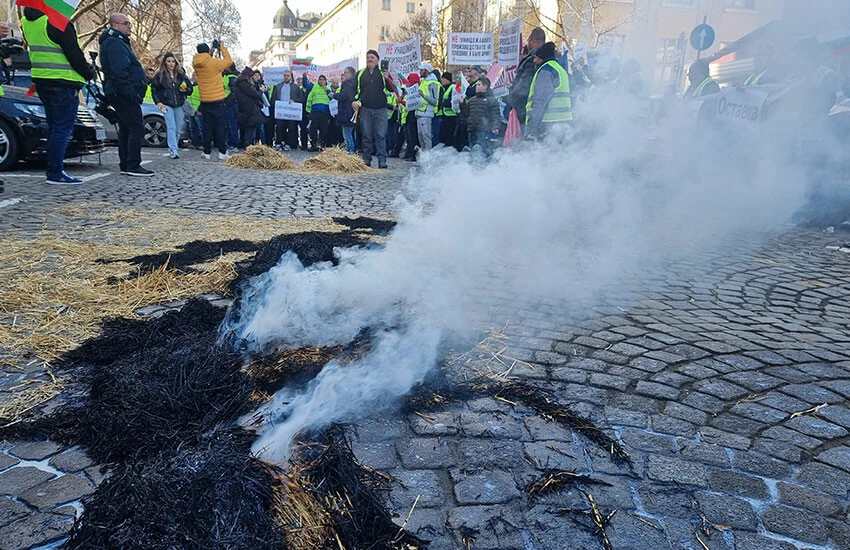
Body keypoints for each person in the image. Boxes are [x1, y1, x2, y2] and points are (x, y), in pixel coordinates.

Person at [20, 7, 96, 184]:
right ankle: (55, 171)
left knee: (54, 127)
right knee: (62, 128)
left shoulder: (27, 22)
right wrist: (88, 73)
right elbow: (74, 54)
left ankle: (53, 169)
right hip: (64, 81)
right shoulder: (57, 21)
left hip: (42, 80)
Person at [99, 13, 153, 177]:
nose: (130, 26)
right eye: (126, 23)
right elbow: (119, 70)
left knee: (126, 128)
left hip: (120, 91)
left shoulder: (117, 42)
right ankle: (133, 165)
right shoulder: (115, 43)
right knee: (136, 127)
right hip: (123, 92)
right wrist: (131, 92)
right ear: (115, 25)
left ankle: (126, 164)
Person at [193, 41, 233, 160]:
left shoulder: (196, 63)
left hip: (205, 99)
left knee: (207, 127)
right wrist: (222, 48)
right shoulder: (214, 63)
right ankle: (222, 152)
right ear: (207, 51)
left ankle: (206, 152)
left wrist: (211, 50)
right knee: (220, 127)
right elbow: (229, 61)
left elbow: (205, 59)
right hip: (217, 99)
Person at [526, 41, 573, 138]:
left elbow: (540, 99)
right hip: (564, 122)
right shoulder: (559, 69)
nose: (534, 60)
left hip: (548, 123)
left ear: (541, 57)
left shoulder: (546, 71)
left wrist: (533, 125)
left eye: (535, 57)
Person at [150, 52, 193, 159]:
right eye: (169, 61)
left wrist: (184, 90)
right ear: (165, 62)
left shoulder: (181, 75)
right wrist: (158, 102)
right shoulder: (160, 76)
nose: (171, 64)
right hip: (166, 104)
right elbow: (154, 90)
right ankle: (173, 149)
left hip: (179, 103)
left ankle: (173, 147)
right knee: (171, 127)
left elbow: (190, 89)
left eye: (173, 61)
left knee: (177, 129)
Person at [353, 49, 389, 168]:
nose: (369, 59)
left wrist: (388, 78)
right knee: (366, 135)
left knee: (380, 135)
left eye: (372, 57)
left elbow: (391, 89)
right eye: (368, 57)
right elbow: (354, 89)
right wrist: (353, 101)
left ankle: (382, 160)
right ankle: (366, 159)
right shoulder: (360, 73)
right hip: (365, 108)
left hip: (381, 109)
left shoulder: (383, 74)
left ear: (377, 60)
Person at [506, 27, 545, 129]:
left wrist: (510, 100)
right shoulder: (553, 58)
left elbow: (524, 86)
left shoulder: (532, 60)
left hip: (527, 110)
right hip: (545, 114)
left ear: (532, 40)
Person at [463, 75, 499, 160]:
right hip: (472, 131)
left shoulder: (492, 101)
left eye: (479, 85)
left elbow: (496, 116)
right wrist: (462, 104)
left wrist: (495, 127)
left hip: (485, 131)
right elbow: (466, 113)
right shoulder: (472, 100)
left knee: (484, 152)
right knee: (473, 152)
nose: (476, 87)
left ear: (485, 87)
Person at [270, 69, 304, 151]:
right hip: (280, 111)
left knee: (291, 128)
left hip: (291, 112)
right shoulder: (278, 86)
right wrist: (276, 104)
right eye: (285, 75)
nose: (286, 77)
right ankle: (278, 143)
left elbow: (301, 98)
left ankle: (289, 144)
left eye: (288, 76)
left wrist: (294, 101)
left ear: (291, 77)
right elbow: (273, 98)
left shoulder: (295, 87)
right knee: (279, 127)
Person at [232, 66, 266, 149]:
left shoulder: (239, 83)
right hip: (250, 110)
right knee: (250, 130)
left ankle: (247, 146)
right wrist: (261, 91)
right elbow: (255, 94)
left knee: (247, 129)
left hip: (244, 109)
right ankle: (248, 147)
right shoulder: (244, 84)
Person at [415, 62, 440, 151]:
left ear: (427, 71)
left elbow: (434, 101)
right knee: (420, 136)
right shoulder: (423, 82)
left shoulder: (433, 83)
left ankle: (428, 155)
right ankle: (423, 155)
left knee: (426, 136)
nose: (420, 72)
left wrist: (423, 96)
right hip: (420, 113)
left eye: (422, 70)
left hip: (426, 113)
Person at [304, 73, 332, 151]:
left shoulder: (328, 88)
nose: (321, 81)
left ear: (326, 81)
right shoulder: (314, 86)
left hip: (325, 112)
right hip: (315, 112)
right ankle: (314, 145)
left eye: (323, 80)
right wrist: (304, 77)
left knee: (324, 129)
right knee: (313, 129)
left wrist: (325, 88)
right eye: (320, 79)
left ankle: (322, 145)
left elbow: (332, 97)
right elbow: (306, 84)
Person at [336, 66, 358, 153]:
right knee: (349, 134)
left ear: (350, 74)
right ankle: (350, 150)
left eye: (346, 72)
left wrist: (334, 95)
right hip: (348, 112)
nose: (344, 74)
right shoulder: (351, 83)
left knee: (347, 134)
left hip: (347, 112)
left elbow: (343, 96)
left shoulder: (349, 84)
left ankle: (350, 151)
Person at [401, 73, 420, 161]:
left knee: (413, 137)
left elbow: (411, 103)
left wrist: (402, 102)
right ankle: (409, 153)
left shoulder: (415, 90)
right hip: (409, 116)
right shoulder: (409, 90)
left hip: (414, 116)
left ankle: (413, 155)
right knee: (409, 137)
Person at [439, 71, 457, 146]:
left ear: (447, 80)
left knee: (449, 136)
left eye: (443, 79)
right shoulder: (444, 88)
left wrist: (443, 102)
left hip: (452, 116)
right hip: (445, 115)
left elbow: (453, 101)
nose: (441, 80)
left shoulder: (452, 88)